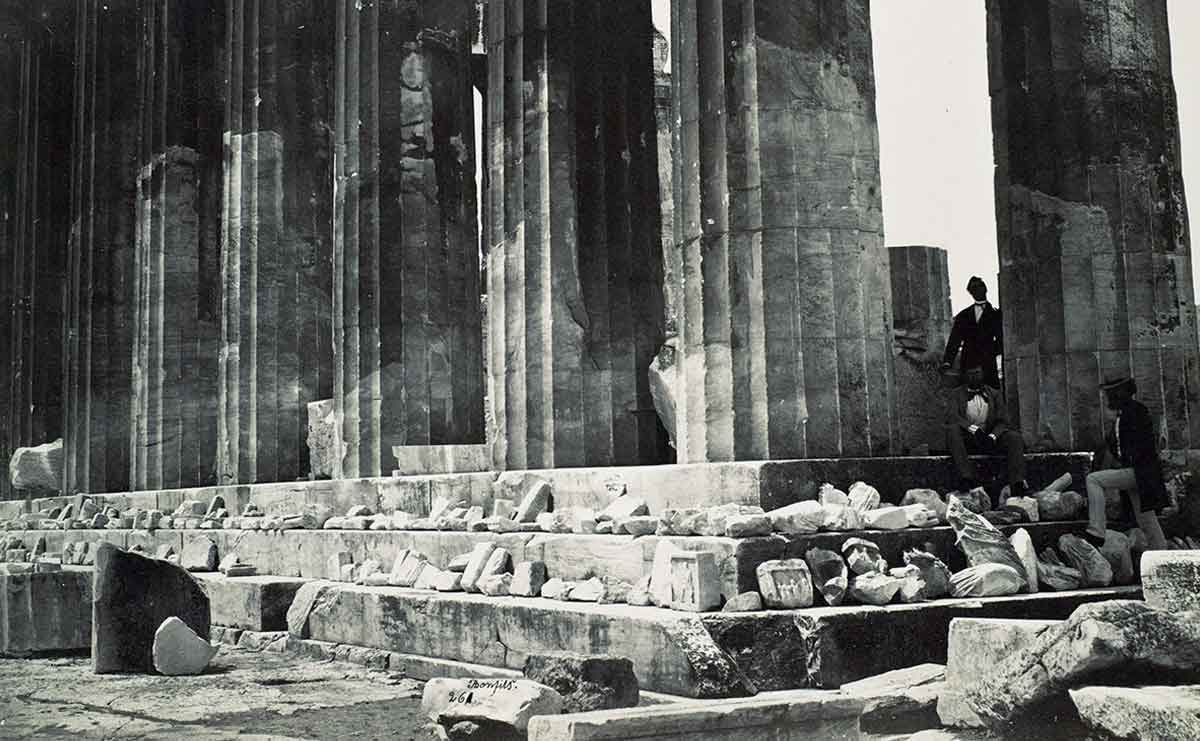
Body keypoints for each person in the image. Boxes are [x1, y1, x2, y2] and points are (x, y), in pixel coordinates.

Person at [1083, 375, 1169, 550]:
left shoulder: (1134, 412)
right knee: (1146, 520)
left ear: (1118, 394)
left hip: (1139, 471)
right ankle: (1163, 555)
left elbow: (1139, 445)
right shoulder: (1126, 414)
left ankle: (1097, 531)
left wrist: (1126, 458)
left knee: (1093, 480)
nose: (1106, 398)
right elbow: (1117, 446)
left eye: (1109, 394)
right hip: (1140, 473)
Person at [946, 366, 1028, 500]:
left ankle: (1017, 482)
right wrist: (973, 429)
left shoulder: (994, 394)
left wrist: (993, 436)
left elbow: (1003, 420)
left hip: (990, 439)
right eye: (970, 373)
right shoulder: (956, 394)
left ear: (983, 374)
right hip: (968, 440)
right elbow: (953, 417)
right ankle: (966, 478)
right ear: (965, 375)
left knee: (1014, 437)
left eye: (977, 373)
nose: (974, 376)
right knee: (952, 430)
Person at [942, 276, 1003, 389]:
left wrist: (990, 351)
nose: (978, 290)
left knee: (991, 396)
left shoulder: (996, 315)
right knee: (966, 397)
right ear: (971, 293)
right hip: (968, 363)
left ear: (985, 289)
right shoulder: (963, 316)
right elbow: (954, 341)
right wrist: (947, 362)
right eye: (974, 288)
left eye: (980, 286)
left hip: (988, 364)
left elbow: (1001, 340)